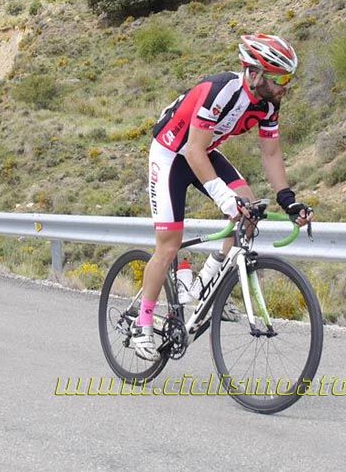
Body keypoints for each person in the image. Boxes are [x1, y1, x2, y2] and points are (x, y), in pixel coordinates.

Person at [132, 33, 313, 361]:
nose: (286, 86)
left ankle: (206, 286)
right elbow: (192, 149)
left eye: (289, 79)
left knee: (250, 210)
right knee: (169, 244)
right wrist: (223, 198)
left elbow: (271, 154)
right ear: (256, 74)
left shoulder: (269, 103)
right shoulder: (221, 90)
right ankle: (142, 325)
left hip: (203, 151)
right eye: (280, 78)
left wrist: (288, 199)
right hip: (173, 153)